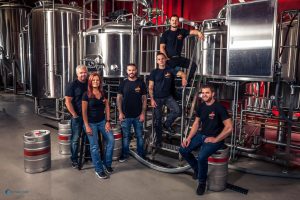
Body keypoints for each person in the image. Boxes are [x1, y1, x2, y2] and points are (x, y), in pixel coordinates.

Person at [179, 85, 233, 195]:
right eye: (202, 93)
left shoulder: (219, 108)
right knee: (183, 150)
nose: (204, 95)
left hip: (215, 139)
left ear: (213, 94)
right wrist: (188, 138)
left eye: (207, 92)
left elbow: (229, 127)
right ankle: (197, 170)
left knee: (202, 157)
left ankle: (202, 182)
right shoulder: (201, 107)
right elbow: (196, 123)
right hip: (202, 135)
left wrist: (216, 139)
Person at [149, 53, 187, 149]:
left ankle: (167, 124)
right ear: (157, 61)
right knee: (158, 120)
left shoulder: (170, 70)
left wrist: (184, 78)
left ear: (165, 59)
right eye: (159, 59)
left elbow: (182, 73)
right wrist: (152, 99)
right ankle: (158, 141)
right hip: (157, 98)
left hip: (168, 97)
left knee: (178, 110)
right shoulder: (154, 72)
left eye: (162, 59)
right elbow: (150, 87)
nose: (161, 60)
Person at [82, 72, 115, 179]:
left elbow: (107, 106)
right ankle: (98, 169)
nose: (96, 82)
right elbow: (84, 112)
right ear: (90, 81)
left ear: (100, 81)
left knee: (111, 140)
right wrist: (86, 125)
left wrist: (108, 121)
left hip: (102, 122)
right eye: (93, 80)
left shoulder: (103, 92)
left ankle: (107, 164)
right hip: (91, 123)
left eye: (97, 80)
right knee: (95, 147)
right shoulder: (86, 94)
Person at [160, 14, 204, 82]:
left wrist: (199, 33)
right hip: (169, 59)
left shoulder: (182, 31)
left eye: (176, 20)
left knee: (193, 65)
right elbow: (162, 48)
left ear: (178, 22)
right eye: (172, 20)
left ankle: (186, 81)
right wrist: (166, 58)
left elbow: (192, 32)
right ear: (170, 22)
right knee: (168, 78)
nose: (174, 22)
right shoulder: (166, 33)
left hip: (178, 58)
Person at [117, 63, 147, 162]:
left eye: (133, 70)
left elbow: (144, 99)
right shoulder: (123, 83)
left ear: (136, 70)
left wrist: (143, 113)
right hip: (126, 115)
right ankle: (125, 155)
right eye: (129, 70)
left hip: (138, 115)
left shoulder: (141, 83)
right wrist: (120, 112)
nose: (131, 72)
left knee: (139, 136)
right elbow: (119, 98)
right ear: (127, 71)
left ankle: (141, 155)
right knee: (126, 137)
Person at [65, 65, 88, 168]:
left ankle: (87, 156)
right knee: (75, 138)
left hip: (88, 116)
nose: (83, 74)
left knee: (88, 137)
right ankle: (74, 159)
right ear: (77, 74)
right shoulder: (72, 85)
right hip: (77, 117)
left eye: (84, 72)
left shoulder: (89, 83)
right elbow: (68, 101)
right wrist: (74, 115)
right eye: (81, 73)